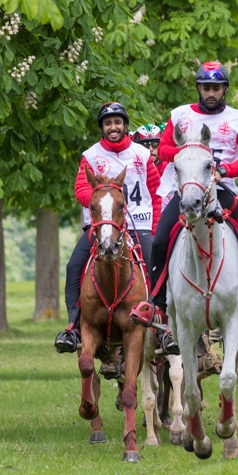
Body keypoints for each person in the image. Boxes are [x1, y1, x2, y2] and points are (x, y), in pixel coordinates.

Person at [149, 62, 238, 321]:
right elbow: (162, 150)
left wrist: (224, 171)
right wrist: (188, 153)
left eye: (216, 88)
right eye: (206, 87)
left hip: (222, 188)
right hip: (185, 190)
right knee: (160, 240)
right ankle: (157, 305)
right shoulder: (179, 114)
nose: (210, 93)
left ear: (225, 90)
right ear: (198, 87)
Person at [55, 102, 164, 353]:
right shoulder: (90, 155)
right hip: (101, 226)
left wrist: (155, 229)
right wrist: (102, 198)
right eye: (107, 123)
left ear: (125, 126)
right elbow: (81, 189)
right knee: (74, 266)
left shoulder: (142, 154)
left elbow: (156, 193)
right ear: (102, 128)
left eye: (117, 122)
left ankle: (163, 327)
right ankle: (72, 327)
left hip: (140, 223)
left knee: (157, 264)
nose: (112, 127)